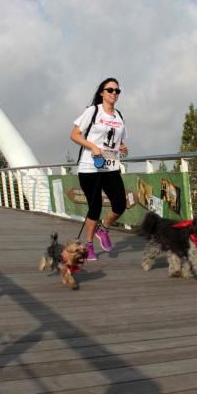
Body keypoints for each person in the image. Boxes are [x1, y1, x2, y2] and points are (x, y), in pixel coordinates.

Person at [70, 78, 128, 261]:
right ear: (102, 92)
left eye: (117, 91)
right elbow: (74, 135)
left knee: (120, 204)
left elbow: (118, 142)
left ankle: (103, 229)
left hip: (110, 166)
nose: (114, 93)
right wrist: (92, 146)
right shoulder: (93, 111)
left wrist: (123, 148)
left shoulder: (118, 116)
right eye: (110, 90)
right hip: (90, 167)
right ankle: (88, 244)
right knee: (94, 207)